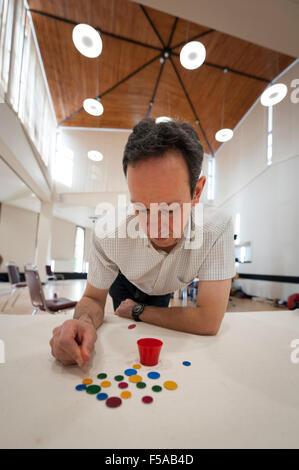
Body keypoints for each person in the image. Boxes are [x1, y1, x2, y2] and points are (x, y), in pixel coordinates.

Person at [50, 118, 236, 367]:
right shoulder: (109, 232)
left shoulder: (217, 228)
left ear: (197, 192)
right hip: (123, 279)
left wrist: (138, 310)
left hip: (163, 288)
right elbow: (93, 299)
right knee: (124, 334)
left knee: (154, 331)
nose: (155, 226)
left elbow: (208, 320)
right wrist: (83, 323)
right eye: (141, 208)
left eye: (170, 209)